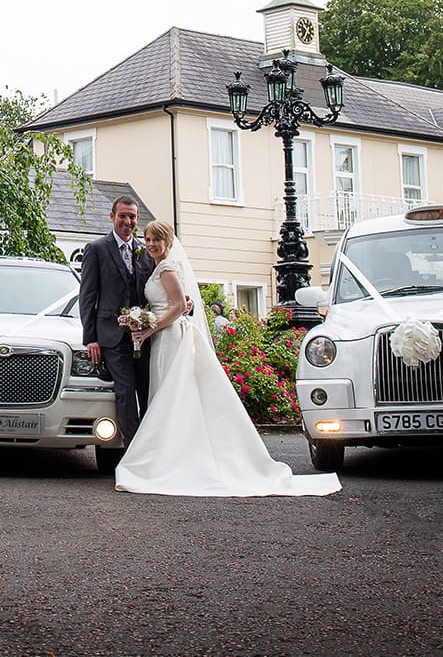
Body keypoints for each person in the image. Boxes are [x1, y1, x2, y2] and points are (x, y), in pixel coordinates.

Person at [116, 221, 341, 498]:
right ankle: (173, 451)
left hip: (170, 337)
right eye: (148, 239)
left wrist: (151, 326)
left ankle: (171, 458)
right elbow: (180, 303)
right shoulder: (161, 267)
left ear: (168, 241)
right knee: (170, 394)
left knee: (171, 394)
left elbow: (176, 308)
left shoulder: (167, 268)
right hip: (165, 336)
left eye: (156, 240)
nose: (150, 244)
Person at [77, 196, 152, 449]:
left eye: (132, 217)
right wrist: (90, 338)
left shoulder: (144, 251)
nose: (127, 221)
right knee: (125, 392)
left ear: (137, 219)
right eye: (122, 216)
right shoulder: (97, 249)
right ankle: (133, 452)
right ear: (112, 217)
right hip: (111, 336)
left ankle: (151, 446)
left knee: (148, 390)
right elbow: (87, 296)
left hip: (143, 336)